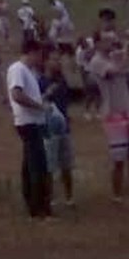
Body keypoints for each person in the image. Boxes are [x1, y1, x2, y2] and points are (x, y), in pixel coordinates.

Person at [90, 30, 129, 205]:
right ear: (98, 43)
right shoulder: (97, 62)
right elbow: (115, 71)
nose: (111, 43)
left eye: (112, 40)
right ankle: (117, 196)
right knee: (119, 159)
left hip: (127, 111)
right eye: (106, 41)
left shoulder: (115, 55)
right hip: (112, 115)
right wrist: (127, 51)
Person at [5, 37, 49, 218]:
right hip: (28, 122)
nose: (40, 59)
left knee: (29, 164)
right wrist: (39, 107)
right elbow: (16, 94)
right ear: (32, 52)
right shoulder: (17, 69)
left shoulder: (27, 71)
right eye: (39, 55)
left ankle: (32, 201)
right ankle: (38, 208)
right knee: (37, 165)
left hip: (33, 121)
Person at [43, 53, 75, 206]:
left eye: (58, 59)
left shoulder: (62, 81)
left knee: (66, 165)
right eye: (54, 59)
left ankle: (69, 197)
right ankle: (50, 198)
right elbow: (37, 101)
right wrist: (48, 92)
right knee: (50, 166)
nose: (58, 62)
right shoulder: (41, 81)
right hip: (49, 129)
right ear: (46, 62)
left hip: (64, 128)